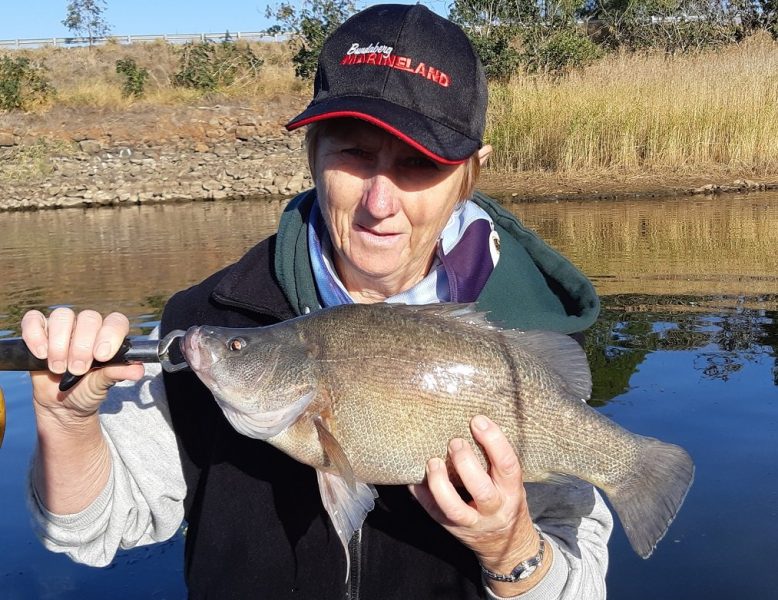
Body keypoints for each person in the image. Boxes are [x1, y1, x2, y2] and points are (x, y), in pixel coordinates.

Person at [22, 4, 612, 599]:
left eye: (418, 163)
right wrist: (68, 424)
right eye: (355, 154)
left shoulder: (525, 337)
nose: (380, 203)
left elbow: (582, 588)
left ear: (469, 174)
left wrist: (511, 550)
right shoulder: (209, 323)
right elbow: (88, 533)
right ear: (313, 152)